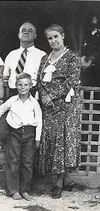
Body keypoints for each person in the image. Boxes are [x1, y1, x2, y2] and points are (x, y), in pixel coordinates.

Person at [37, 24, 81, 199]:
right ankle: (65, 179)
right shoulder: (45, 59)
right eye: (50, 38)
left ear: (62, 36)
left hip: (65, 106)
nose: (53, 40)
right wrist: (44, 96)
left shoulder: (72, 57)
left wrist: (52, 95)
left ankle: (58, 183)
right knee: (52, 141)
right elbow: (39, 80)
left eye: (56, 36)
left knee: (61, 142)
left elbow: (72, 80)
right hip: (48, 108)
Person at [0, 73, 42, 201]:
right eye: (20, 85)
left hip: (30, 134)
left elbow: (39, 120)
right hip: (14, 133)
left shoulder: (34, 103)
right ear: (16, 86)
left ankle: (25, 190)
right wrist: (2, 125)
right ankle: (13, 190)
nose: (23, 87)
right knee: (13, 161)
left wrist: (37, 138)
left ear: (31, 86)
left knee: (27, 162)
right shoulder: (12, 101)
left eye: (26, 85)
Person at [3, 21, 46, 97]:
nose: (26, 32)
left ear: (35, 36)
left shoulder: (42, 55)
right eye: (23, 30)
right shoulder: (11, 54)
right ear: (19, 35)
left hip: (33, 93)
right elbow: (5, 75)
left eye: (30, 31)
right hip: (13, 93)